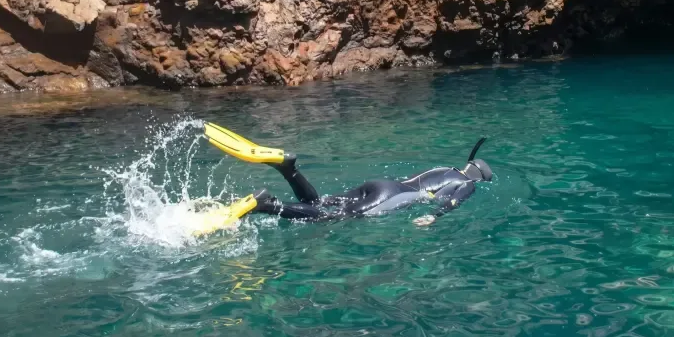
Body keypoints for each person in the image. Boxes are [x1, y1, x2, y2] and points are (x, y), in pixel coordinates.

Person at [203, 124, 493, 226]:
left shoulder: (445, 168)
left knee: (320, 205)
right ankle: (268, 204)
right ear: (478, 177)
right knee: (335, 218)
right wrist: (435, 217)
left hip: (381, 184)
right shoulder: (467, 184)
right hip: (392, 197)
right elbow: (452, 203)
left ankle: (288, 169)